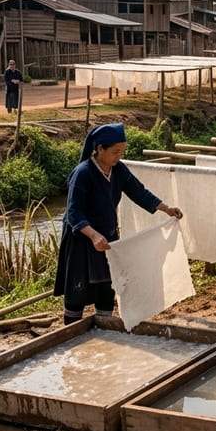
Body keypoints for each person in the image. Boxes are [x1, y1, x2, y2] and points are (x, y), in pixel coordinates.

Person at [53, 123, 184, 325]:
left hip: (107, 237)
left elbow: (138, 192)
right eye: (115, 152)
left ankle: (105, 328)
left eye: (122, 151)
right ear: (100, 149)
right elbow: (73, 213)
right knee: (77, 291)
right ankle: (70, 334)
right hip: (82, 239)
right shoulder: (83, 173)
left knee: (107, 287)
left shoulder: (119, 170)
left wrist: (166, 208)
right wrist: (93, 235)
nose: (119, 156)